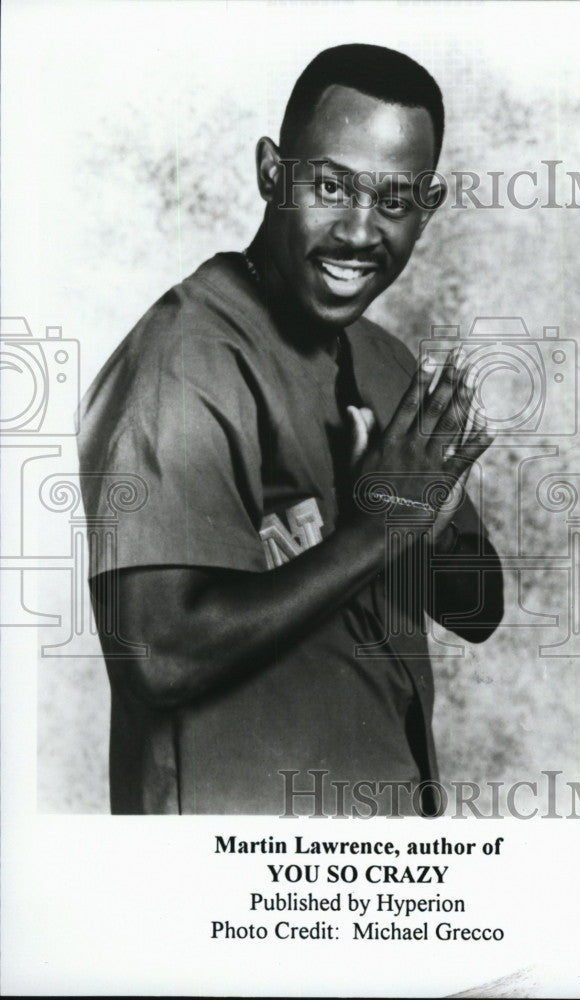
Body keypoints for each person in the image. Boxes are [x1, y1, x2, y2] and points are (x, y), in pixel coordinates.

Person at [78, 44, 504, 816]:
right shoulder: (185, 363)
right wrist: (380, 529)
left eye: (395, 200)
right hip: (230, 876)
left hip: (376, 856)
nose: (358, 230)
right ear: (272, 174)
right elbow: (158, 655)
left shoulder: (384, 361)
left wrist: (431, 524)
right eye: (332, 185)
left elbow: (477, 612)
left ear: (429, 204)